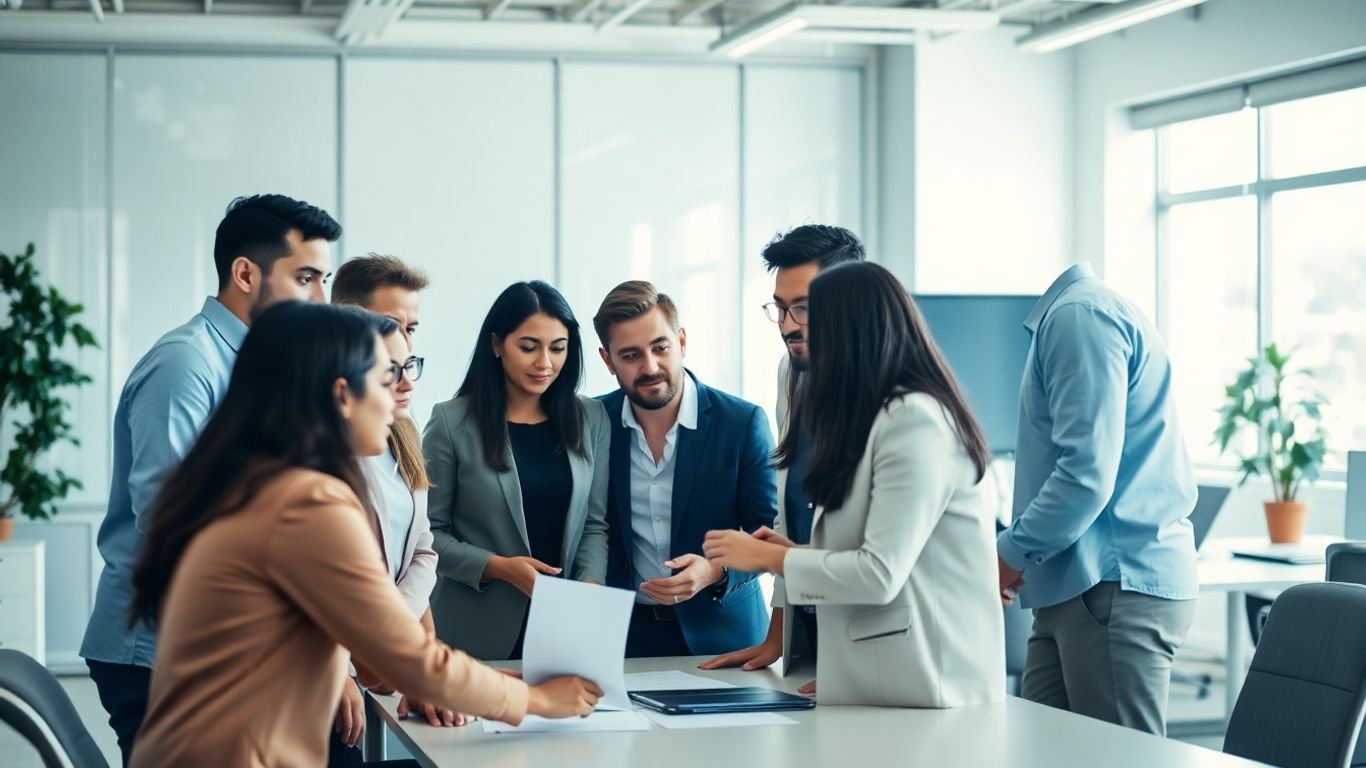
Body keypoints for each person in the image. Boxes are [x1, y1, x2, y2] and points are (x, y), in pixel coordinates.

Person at [126, 302, 602, 768]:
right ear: (341, 395)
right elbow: (407, 659)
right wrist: (539, 698)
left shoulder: (264, 483)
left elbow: (375, 655)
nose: (397, 397)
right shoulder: (306, 504)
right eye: (384, 378)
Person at [80, 194, 341, 765]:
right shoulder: (185, 364)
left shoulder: (265, 366)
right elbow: (170, 524)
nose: (322, 299)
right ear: (246, 273)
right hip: (155, 650)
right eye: (306, 278)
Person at [703, 261, 1005, 707]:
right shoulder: (878, 418)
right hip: (891, 685)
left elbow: (879, 573)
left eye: (812, 322)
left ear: (852, 334)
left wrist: (770, 559)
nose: (796, 336)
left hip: (932, 688)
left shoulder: (915, 421)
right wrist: (789, 554)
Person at [996, 263, 1197, 735]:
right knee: (1045, 751)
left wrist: (1008, 555)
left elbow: (1085, 475)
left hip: (1109, 587)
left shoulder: (1078, 317)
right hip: (1076, 586)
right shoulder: (1075, 313)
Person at [700, 224, 865, 672]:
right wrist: (777, 635)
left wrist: (768, 557)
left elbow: (879, 563)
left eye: (805, 309)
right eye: (781, 309)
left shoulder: (889, 398)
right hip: (811, 633)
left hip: (869, 641)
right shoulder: (792, 374)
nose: (789, 326)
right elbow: (790, 515)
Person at [423, 281, 610, 660]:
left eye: (558, 348)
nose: (545, 363)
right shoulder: (451, 422)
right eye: (529, 347)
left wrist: (590, 587)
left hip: (564, 632)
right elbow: (427, 537)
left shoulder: (589, 417)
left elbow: (594, 524)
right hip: (473, 633)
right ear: (496, 345)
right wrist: (500, 568)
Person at [592, 280, 777, 658]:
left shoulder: (741, 423)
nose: (650, 366)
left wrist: (715, 571)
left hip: (725, 638)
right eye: (630, 356)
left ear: (681, 341)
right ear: (607, 361)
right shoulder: (592, 422)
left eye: (660, 348)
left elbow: (771, 535)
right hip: (621, 640)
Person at [329, 255, 457, 766]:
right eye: (392, 325)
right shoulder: (322, 433)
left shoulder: (400, 425)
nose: (405, 340)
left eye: (412, 327)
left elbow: (423, 552)